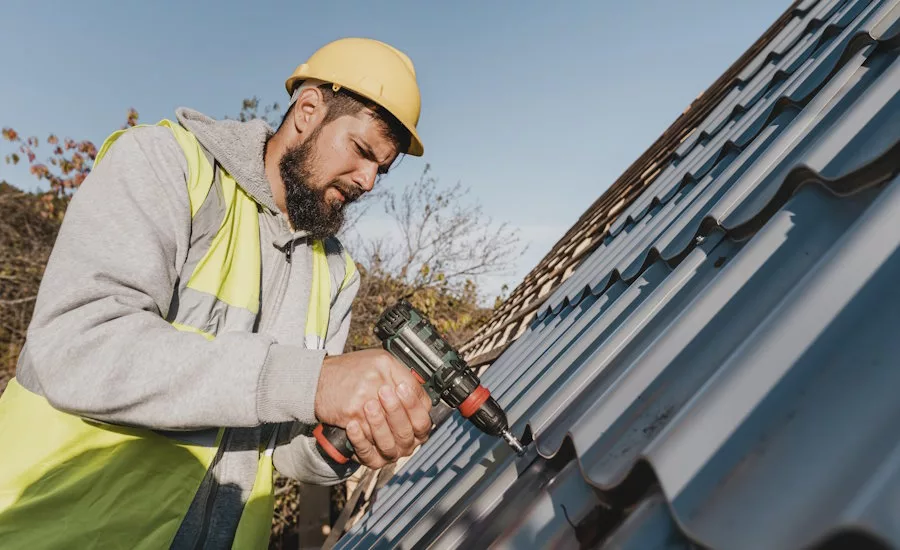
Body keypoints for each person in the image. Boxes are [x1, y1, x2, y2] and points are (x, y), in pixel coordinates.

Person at [0, 37, 432, 549]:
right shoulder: (167, 166)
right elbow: (76, 348)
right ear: (309, 109)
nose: (368, 181)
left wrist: (349, 437)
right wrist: (311, 381)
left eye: (380, 169)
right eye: (362, 151)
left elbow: (283, 447)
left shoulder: (336, 272)